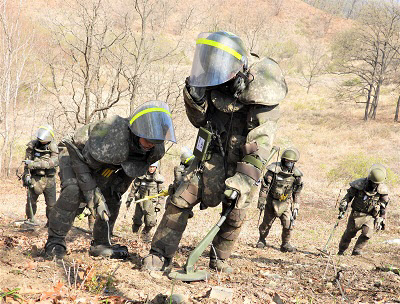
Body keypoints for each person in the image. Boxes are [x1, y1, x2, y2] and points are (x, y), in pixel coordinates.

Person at [142, 31, 287, 273]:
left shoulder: (263, 87)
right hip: (211, 156)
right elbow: (199, 120)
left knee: (236, 211)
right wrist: (194, 98)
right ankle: (159, 254)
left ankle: (220, 258)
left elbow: (261, 142)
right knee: (179, 199)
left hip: (244, 160)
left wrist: (242, 180)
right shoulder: (212, 74)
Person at [44, 101, 176, 259]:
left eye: (155, 141)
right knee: (74, 190)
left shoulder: (154, 149)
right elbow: (81, 163)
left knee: (113, 196)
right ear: (136, 132)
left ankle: (101, 243)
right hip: (74, 154)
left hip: (106, 164)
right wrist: (92, 195)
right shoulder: (112, 134)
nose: (151, 144)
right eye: (148, 139)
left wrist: (114, 192)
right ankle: (55, 242)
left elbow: (129, 172)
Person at [256, 148, 303, 252]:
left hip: (285, 202)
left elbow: (297, 192)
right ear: (283, 160)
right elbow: (264, 187)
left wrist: (296, 206)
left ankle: (285, 244)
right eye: (287, 161)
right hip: (271, 201)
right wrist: (261, 200)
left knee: (288, 223)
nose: (289, 164)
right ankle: (262, 239)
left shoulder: (296, 175)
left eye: (292, 162)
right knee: (266, 223)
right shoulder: (273, 171)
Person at [337, 164, 389, 256]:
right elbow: (348, 196)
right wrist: (344, 204)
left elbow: (384, 206)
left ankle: (357, 251)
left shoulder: (382, 190)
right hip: (356, 214)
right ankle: (341, 251)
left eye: (376, 184)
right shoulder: (358, 184)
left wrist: (382, 218)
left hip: (370, 216)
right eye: (372, 183)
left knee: (367, 234)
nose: (374, 185)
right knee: (349, 234)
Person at [22, 125, 59, 225]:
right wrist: (26, 176)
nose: (42, 141)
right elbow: (26, 163)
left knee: (51, 204)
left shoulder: (53, 147)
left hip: (49, 179)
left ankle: (51, 224)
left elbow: (52, 163)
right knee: (31, 201)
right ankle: (30, 220)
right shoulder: (32, 146)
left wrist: (34, 164)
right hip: (35, 178)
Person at [126, 161, 165, 242]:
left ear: (156, 168)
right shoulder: (141, 177)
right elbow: (134, 189)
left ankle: (145, 233)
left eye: (153, 167)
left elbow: (161, 194)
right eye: (150, 166)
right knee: (137, 220)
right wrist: (129, 199)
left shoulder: (158, 179)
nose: (151, 169)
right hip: (140, 202)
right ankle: (135, 234)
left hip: (152, 204)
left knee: (150, 222)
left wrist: (159, 205)